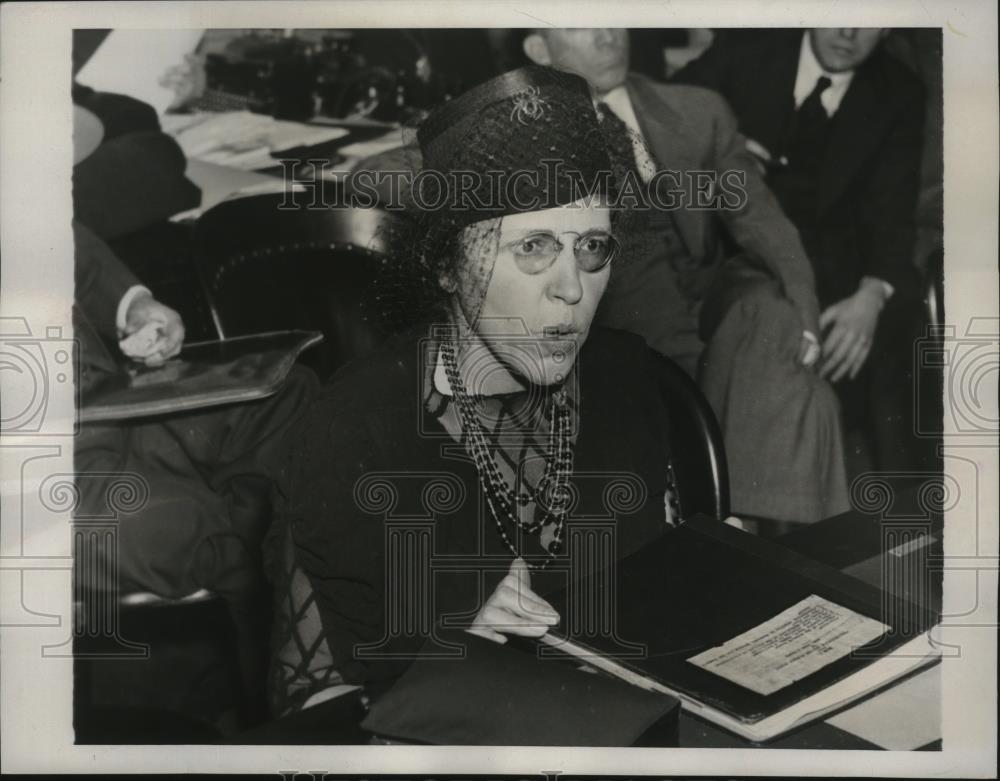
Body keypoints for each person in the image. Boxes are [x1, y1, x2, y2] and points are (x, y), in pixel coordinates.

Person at [267, 65, 681, 717]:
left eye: (592, 247)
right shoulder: (356, 428)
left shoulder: (625, 378)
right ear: (447, 266)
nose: (572, 288)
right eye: (534, 247)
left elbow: (658, 604)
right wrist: (443, 643)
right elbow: (313, 696)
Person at [521, 29, 849, 524]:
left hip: (711, 307)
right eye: (581, 22)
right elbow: (410, 169)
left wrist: (806, 310)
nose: (608, 36)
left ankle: (734, 529)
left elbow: (761, 219)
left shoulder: (697, 110)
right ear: (538, 51)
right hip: (624, 319)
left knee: (776, 317)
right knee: (810, 403)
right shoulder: (518, 127)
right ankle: (753, 535)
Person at [672, 28, 930, 472]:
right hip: (732, 260)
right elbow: (663, 113)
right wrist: (721, 150)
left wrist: (872, 295)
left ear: (888, 27)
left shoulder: (899, 89)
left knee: (892, 347)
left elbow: (894, 214)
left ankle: (902, 514)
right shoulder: (747, 51)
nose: (848, 33)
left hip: (838, 277)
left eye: (867, 20)